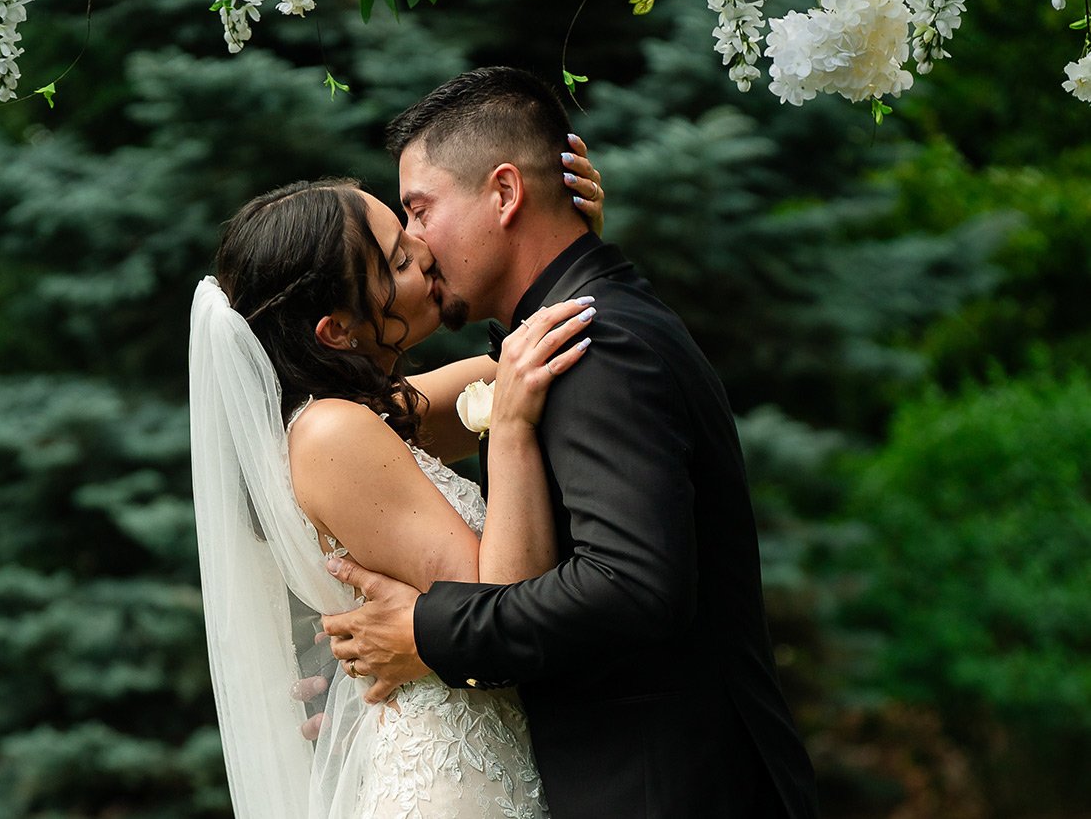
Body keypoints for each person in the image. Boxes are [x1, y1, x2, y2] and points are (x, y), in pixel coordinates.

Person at [321, 66, 822, 817]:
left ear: (503, 194)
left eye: (419, 211)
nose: (416, 246)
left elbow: (629, 586)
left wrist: (427, 633)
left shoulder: (597, 344)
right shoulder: (559, 339)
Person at [188, 151, 605, 817]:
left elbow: (516, 364)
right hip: (456, 784)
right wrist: (515, 432)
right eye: (399, 261)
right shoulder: (329, 433)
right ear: (336, 330)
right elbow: (496, 607)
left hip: (486, 754)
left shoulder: (369, 415)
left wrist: (558, 238)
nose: (426, 251)